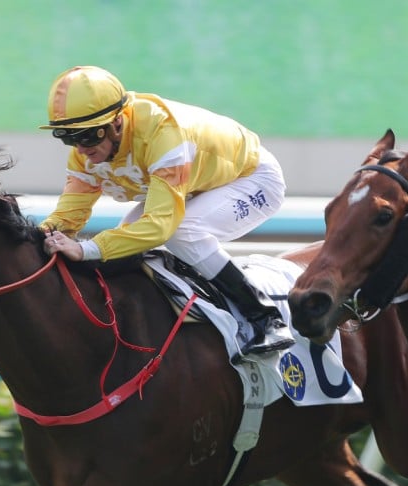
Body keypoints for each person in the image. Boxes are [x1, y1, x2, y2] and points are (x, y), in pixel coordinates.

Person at [38, 65, 293, 357]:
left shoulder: (163, 134)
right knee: (126, 238)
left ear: (117, 123)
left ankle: (264, 317)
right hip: (198, 182)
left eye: (86, 137)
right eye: (69, 138)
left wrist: (85, 249)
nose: (80, 150)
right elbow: (69, 215)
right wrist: (43, 236)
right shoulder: (86, 152)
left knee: (181, 231)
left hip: (251, 179)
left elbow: (160, 226)